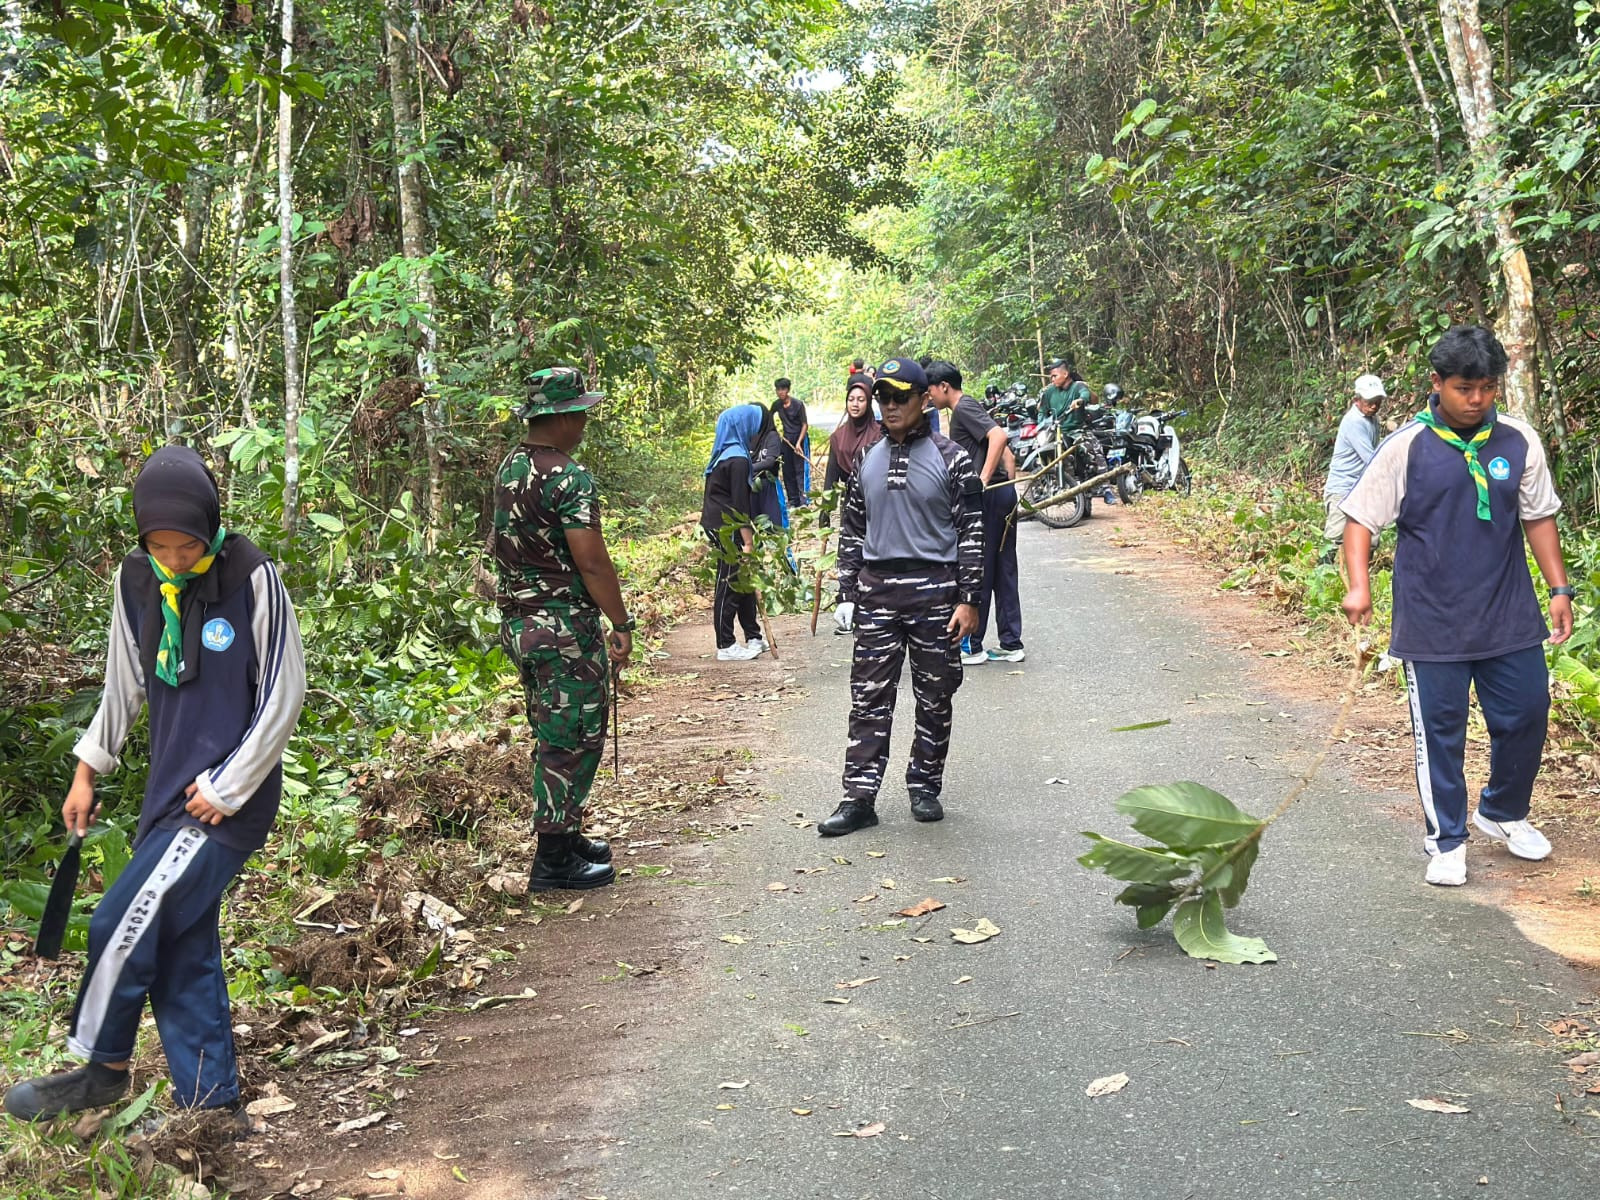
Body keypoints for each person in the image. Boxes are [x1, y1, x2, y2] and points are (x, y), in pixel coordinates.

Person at [3, 446, 306, 1123]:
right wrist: (87, 770)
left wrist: (228, 788)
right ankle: (210, 1102)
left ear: (211, 523)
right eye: (160, 544)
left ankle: (103, 1067)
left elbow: (283, 695)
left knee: (120, 921)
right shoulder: (136, 580)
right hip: (167, 795)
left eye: (186, 543)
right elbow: (124, 684)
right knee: (179, 944)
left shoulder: (252, 575)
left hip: (228, 804)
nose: (174, 557)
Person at [1340, 325, 1574, 888]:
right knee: (1440, 731)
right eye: (1465, 388)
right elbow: (1360, 521)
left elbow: (1538, 516)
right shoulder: (1406, 447)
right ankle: (1446, 839)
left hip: (1508, 612)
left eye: (1488, 388)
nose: (1477, 400)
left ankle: (1501, 810)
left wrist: (1559, 588)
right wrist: (1358, 586)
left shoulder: (1518, 441)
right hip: (1432, 620)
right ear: (1437, 383)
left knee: (1526, 714)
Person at [819, 357, 982, 837]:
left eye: (899, 397)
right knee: (868, 698)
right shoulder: (866, 456)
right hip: (877, 593)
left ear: (924, 399)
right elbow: (853, 527)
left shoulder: (953, 458)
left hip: (935, 593)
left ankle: (925, 786)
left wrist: (969, 599)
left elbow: (971, 531)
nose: (889, 406)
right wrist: (846, 590)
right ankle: (859, 797)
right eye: (882, 397)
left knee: (935, 695)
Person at [492, 366, 634, 892]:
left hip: (521, 623)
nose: (584, 422)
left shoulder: (509, 468)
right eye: (580, 413)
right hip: (562, 627)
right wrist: (620, 622)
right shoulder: (567, 477)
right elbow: (591, 561)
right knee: (572, 735)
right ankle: (553, 858)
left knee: (554, 728)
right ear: (562, 416)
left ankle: (566, 833)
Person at [927, 361, 1024, 666]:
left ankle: (972, 644)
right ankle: (1010, 643)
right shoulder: (972, 407)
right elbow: (1006, 454)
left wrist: (981, 482)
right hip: (1001, 495)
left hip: (989, 498)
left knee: (980, 568)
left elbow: (999, 438)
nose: (928, 397)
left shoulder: (963, 407)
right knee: (1003, 570)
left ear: (944, 386)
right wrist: (1006, 486)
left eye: (930, 390)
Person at [701, 403, 770, 662]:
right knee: (729, 581)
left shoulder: (727, 453)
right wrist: (748, 542)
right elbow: (740, 507)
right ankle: (726, 644)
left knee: (744, 580)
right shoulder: (738, 459)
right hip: (727, 527)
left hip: (722, 523)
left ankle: (753, 635)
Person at [1322, 373, 1386, 567]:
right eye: (1370, 401)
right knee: (1335, 536)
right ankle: (1322, 573)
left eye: (1377, 401)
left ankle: (1362, 573)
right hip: (1343, 487)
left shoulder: (1372, 420)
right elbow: (1371, 458)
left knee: (1371, 535)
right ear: (1357, 400)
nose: (1374, 405)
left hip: (1363, 486)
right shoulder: (1354, 422)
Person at [771, 377, 810, 508]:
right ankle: (793, 500)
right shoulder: (776, 405)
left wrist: (799, 443)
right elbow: (769, 419)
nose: (780, 392)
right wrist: (776, 433)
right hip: (786, 439)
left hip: (800, 438)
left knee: (800, 469)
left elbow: (805, 424)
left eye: (783, 389)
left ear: (788, 390)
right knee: (787, 469)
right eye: (778, 389)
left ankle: (803, 499)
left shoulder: (798, 404)